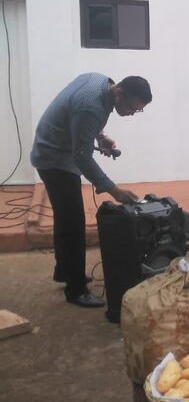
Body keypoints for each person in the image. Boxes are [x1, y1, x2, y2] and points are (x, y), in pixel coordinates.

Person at [31, 73, 152, 308]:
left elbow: (79, 119)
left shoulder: (100, 81)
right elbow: (82, 157)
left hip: (57, 149)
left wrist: (100, 137)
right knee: (74, 222)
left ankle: (64, 271)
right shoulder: (91, 107)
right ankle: (76, 290)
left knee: (65, 218)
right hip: (54, 157)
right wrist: (114, 190)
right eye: (131, 108)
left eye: (137, 111)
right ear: (118, 92)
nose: (130, 114)